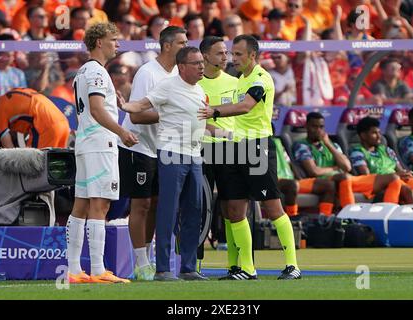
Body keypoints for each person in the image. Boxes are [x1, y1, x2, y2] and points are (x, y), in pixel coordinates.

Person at [198, 35, 301, 280]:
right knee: (234, 209)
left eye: (238, 54)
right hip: (233, 147)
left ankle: (292, 266)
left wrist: (214, 112)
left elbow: (246, 106)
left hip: (257, 147)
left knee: (272, 206)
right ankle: (245, 268)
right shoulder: (239, 80)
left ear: (252, 55)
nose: (233, 58)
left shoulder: (261, 79)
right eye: (232, 54)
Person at [119, 46, 209, 281]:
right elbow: (142, 105)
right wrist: (126, 106)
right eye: (196, 63)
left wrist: (224, 131)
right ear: (182, 67)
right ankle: (162, 269)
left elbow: (199, 121)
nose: (201, 66)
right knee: (168, 210)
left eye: (202, 62)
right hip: (171, 154)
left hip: (194, 155)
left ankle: (188, 267)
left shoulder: (200, 90)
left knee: (194, 210)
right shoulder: (168, 86)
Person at [65, 22, 138, 284]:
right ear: (99, 42)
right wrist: (121, 131)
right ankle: (97, 269)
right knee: (101, 204)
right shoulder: (96, 72)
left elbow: (95, 106)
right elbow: (96, 109)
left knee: (81, 205)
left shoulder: (85, 71)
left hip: (86, 143)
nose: (117, 44)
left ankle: (73, 269)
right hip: (100, 144)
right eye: (113, 39)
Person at [118, 26, 187, 281]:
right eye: (182, 42)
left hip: (164, 148)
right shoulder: (148, 73)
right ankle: (140, 261)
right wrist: (174, 115)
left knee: (158, 203)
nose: (186, 46)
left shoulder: (180, 74)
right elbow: (136, 114)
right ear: (167, 46)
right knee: (141, 203)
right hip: (139, 145)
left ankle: (146, 258)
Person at [293, 112, 403, 208]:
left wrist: (328, 144)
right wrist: (335, 168)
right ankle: (349, 215)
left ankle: (390, 214)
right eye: (314, 127)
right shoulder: (302, 146)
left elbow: (347, 167)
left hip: (347, 179)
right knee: (344, 176)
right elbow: (314, 171)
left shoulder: (333, 145)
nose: (318, 130)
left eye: (321, 127)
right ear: (306, 126)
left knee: (394, 179)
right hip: (322, 181)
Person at [198, 36, 238, 275]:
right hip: (200, 149)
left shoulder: (234, 82)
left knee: (233, 205)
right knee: (198, 205)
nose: (226, 57)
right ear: (205, 56)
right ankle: (193, 264)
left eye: (227, 53)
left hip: (229, 149)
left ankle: (237, 263)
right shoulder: (194, 83)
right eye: (220, 53)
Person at [350, 116, 413, 205]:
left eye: (379, 132)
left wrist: (405, 174)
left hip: (401, 180)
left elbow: (400, 170)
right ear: (363, 135)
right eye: (374, 133)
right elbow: (367, 177)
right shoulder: (357, 152)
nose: (379, 136)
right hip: (382, 186)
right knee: (409, 192)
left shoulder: (387, 150)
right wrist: (394, 175)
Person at [0, 88, 69, 149]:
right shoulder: (8, 97)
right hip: (63, 122)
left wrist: (14, 164)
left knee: (36, 167)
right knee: (58, 165)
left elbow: (6, 143)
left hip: (45, 127)